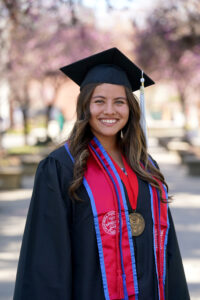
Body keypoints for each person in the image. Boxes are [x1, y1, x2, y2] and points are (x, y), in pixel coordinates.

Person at [13, 48, 190, 300]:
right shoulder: (61, 167)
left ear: (130, 107)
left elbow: (168, 250)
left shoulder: (145, 165)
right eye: (99, 101)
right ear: (85, 106)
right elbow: (46, 259)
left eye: (119, 101)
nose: (110, 110)